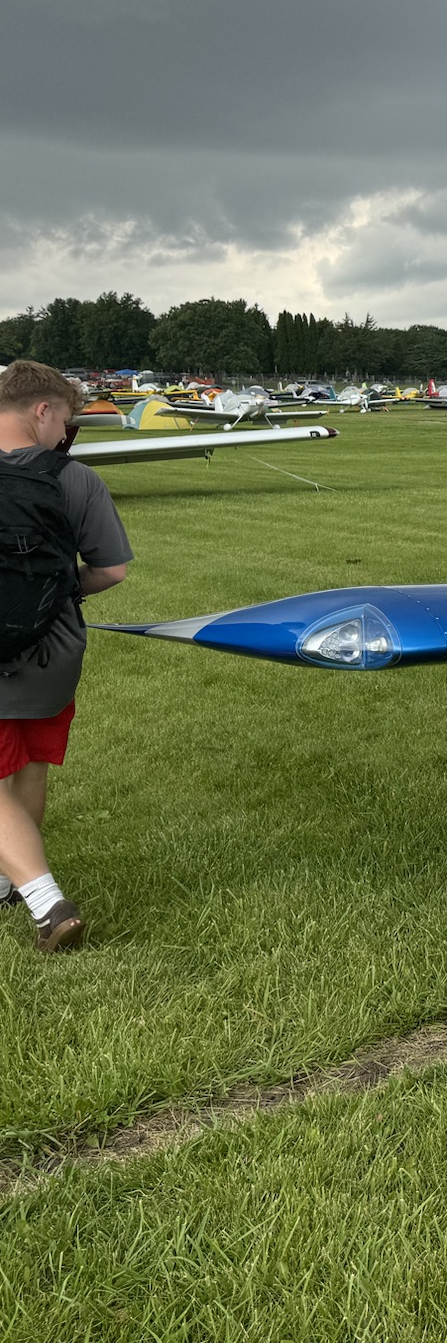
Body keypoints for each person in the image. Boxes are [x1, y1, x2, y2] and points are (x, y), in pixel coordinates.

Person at [0, 361, 132, 952]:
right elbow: (112, 570)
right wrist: (51, 592)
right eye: (66, 422)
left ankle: (44, 900)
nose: (64, 435)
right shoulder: (76, 479)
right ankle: (6, 884)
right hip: (52, 653)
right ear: (42, 410)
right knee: (29, 765)